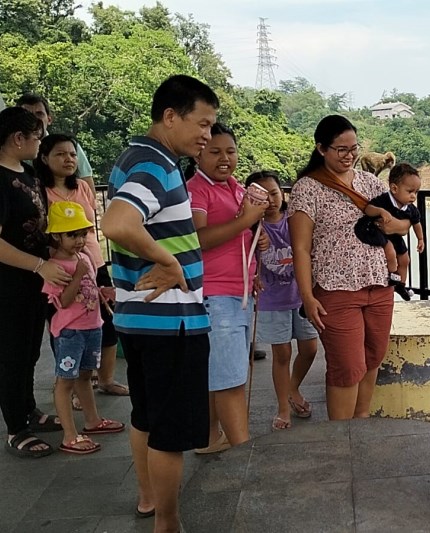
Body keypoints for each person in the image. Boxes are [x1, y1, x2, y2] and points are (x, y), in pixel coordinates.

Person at [100, 74, 218, 532]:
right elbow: (117, 222)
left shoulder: (134, 157)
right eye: (201, 122)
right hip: (172, 323)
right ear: (170, 116)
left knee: (146, 418)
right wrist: (169, 261)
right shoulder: (156, 165)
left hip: (138, 317)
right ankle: (168, 523)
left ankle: (149, 498)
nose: (207, 134)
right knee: (170, 433)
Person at [288, 115, 410, 420]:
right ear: (321, 148)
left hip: (379, 285)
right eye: (340, 149)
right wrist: (307, 295)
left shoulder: (369, 182)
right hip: (335, 289)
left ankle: (362, 422)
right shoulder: (308, 188)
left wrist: (396, 224)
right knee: (346, 365)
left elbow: (398, 226)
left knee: (372, 357)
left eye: (353, 148)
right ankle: (340, 439)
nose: (349, 155)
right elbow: (301, 248)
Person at [186, 124, 267, 452]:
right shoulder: (196, 189)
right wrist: (245, 223)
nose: (225, 158)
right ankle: (245, 456)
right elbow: (198, 239)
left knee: (218, 373)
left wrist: (254, 235)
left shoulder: (236, 187)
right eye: (215, 151)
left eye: (230, 151)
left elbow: (237, 232)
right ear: (198, 153)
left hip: (238, 294)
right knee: (231, 379)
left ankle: (210, 437)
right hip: (216, 296)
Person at [35, 134, 129, 411]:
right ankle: (72, 383)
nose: (69, 160)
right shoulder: (41, 191)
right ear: (44, 158)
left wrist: (90, 262)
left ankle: (106, 379)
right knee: (66, 328)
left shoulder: (83, 189)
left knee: (106, 323)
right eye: (61, 154)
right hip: (61, 268)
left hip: (93, 263)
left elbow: (92, 227)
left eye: (73, 155)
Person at [0, 107, 72, 459]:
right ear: (18, 139)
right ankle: (16, 428)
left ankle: (28, 409)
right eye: (37, 136)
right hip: (9, 282)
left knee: (29, 350)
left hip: (34, 280)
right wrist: (39, 264)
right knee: (11, 354)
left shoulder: (27, 173)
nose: (40, 142)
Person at [41, 201, 125, 455]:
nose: (79, 240)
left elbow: (88, 286)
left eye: (82, 233)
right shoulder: (55, 266)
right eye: (71, 234)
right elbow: (64, 301)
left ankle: (93, 420)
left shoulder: (84, 257)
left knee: (86, 375)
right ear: (56, 235)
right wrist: (77, 274)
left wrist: (102, 292)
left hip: (92, 326)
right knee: (65, 382)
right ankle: (69, 435)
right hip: (70, 332)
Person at [247, 171, 318, 430]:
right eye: (263, 196)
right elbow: (243, 259)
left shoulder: (295, 220)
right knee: (282, 354)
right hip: (272, 299)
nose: (271, 201)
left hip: (301, 296)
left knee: (310, 348)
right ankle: (283, 407)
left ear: (283, 193)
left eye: (274, 193)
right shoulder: (250, 227)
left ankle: (293, 387)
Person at [355, 162, 425, 300]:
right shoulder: (384, 200)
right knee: (390, 252)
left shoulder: (410, 209)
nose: (413, 197)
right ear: (394, 188)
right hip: (378, 233)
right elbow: (368, 209)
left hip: (396, 236)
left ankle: (401, 285)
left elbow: (417, 224)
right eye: (410, 192)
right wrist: (380, 211)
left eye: (416, 192)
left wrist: (421, 239)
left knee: (405, 259)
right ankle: (393, 277)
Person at [16, 94, 96, 196]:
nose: (33, 119)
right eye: (27, 115)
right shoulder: (11, 149)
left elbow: (87, 181)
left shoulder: (69, 145)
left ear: (49, 119)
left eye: (39, 114)